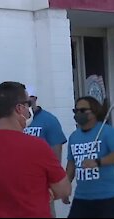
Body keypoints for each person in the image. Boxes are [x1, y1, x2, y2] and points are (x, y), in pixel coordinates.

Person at [0, 81, 71, 218]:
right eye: (28, 104)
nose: (29, 110)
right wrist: (48, 193)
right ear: (19, 108)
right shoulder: (37, 146)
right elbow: (64, 189)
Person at [64, 96, 114, 218]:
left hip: (107, 198)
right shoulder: (74, 137)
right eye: (75, 111)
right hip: (81, 198)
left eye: (82, 110)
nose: (78, 114)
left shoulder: (107, 132)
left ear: (94, 112)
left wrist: (98, 162)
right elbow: (71, 163)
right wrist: (66, 186)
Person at [24, 86, 67, 217]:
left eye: (28, 102)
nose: (27, 105)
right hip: (21, 181)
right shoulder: (18, 121)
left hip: (42, 182)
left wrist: (54, 182)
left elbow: (56, 152)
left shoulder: (49, 120)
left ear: (35, 99)